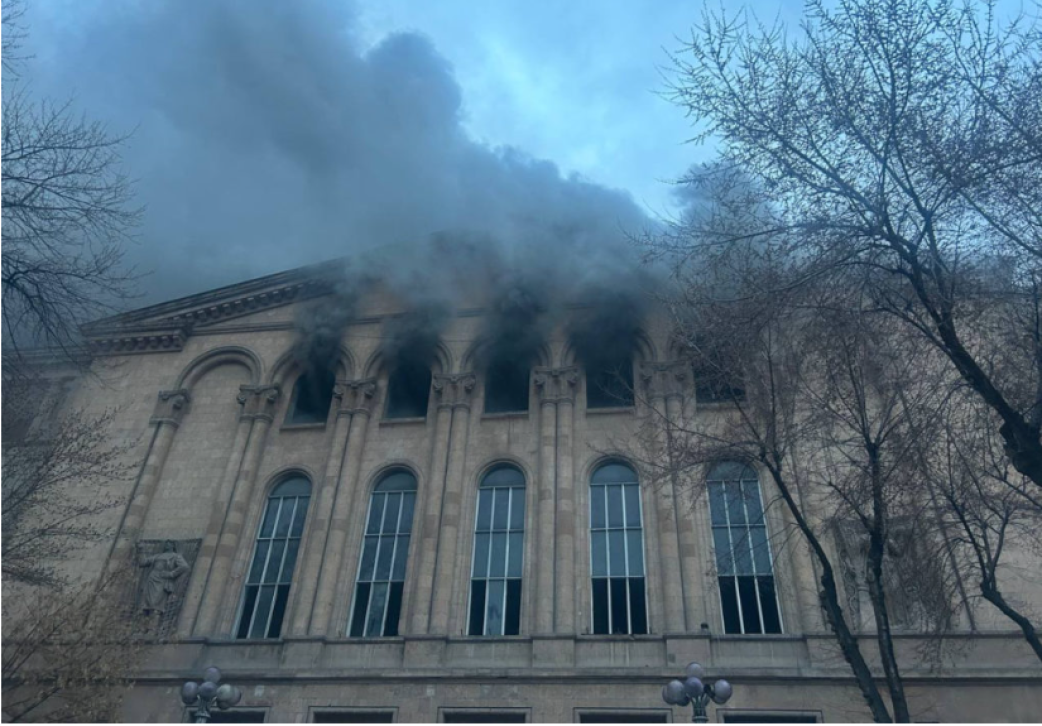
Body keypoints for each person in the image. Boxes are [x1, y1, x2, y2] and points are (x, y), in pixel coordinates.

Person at [138, 540, 190, 615]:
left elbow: (184, 566)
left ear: (173, 545)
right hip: (152, 578)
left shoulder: (176, 556)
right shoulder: (158, 556)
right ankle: (145, 616)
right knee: (147, 601)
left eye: (170, 543)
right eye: (166, 543)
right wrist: (141, 549)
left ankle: (154, 617)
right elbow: (142, 562)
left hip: (163, 580)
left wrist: (172, 574)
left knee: (156, 602)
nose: (167, 544)